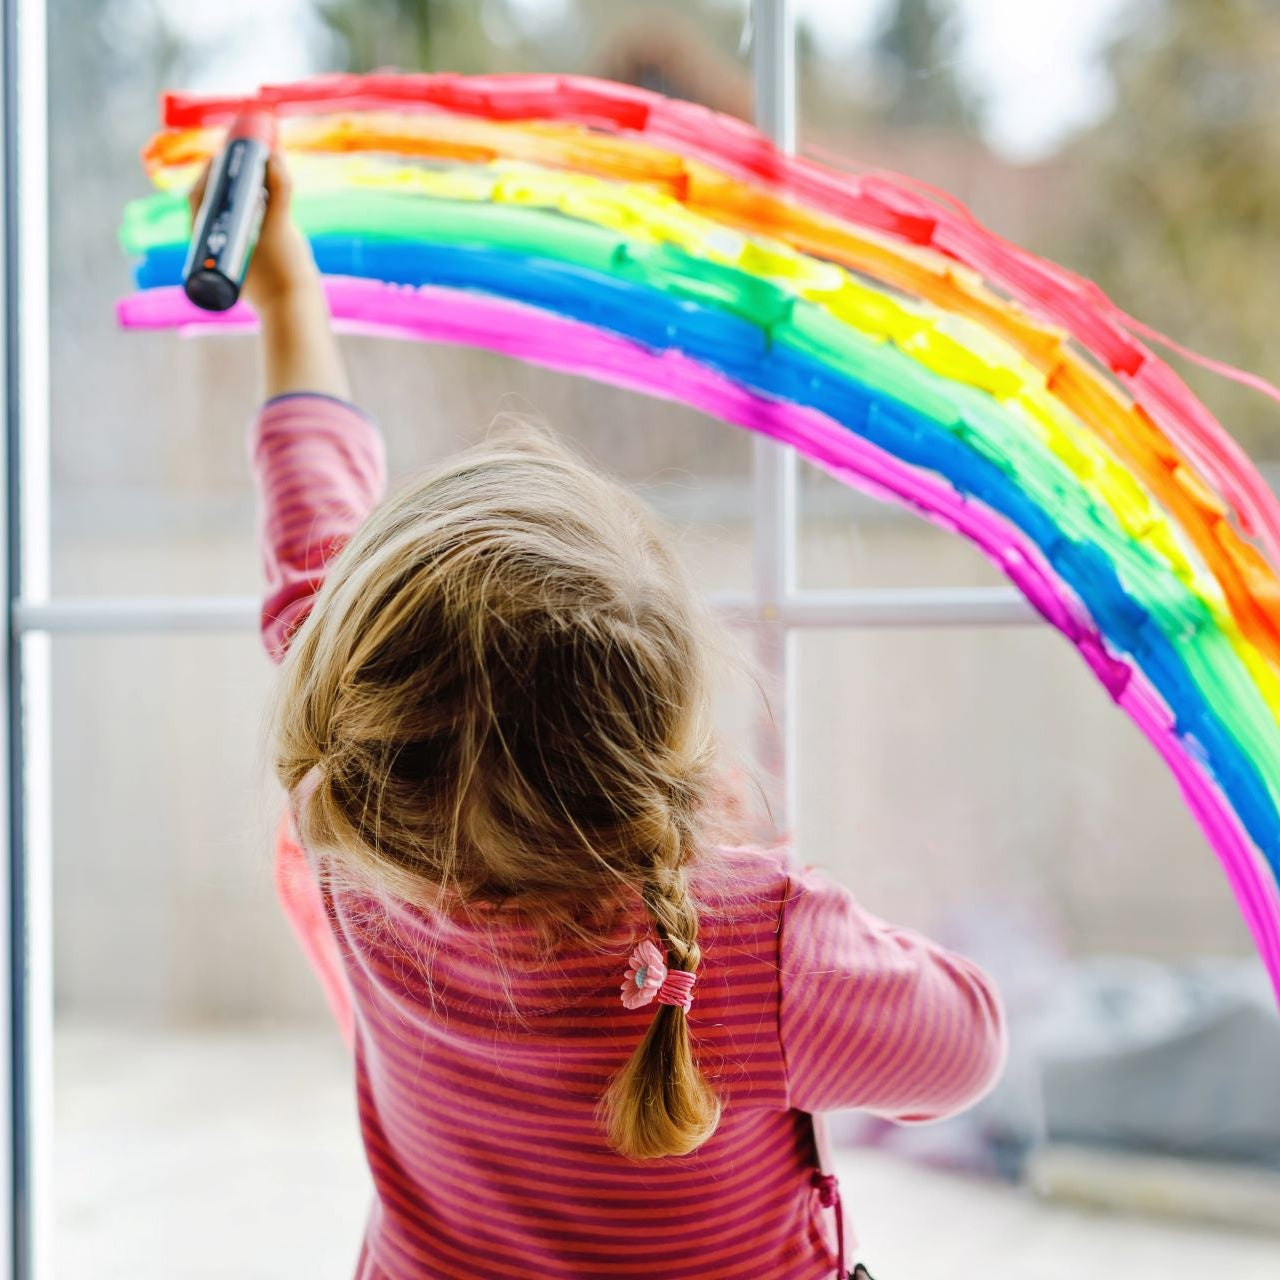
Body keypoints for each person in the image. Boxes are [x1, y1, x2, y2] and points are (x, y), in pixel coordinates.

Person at [206, 149, 1006, 1280]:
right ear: (667, 740)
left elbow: (310, 529)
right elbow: (962, 1045)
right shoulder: (758, 941)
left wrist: (286, 296)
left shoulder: (363, 799)